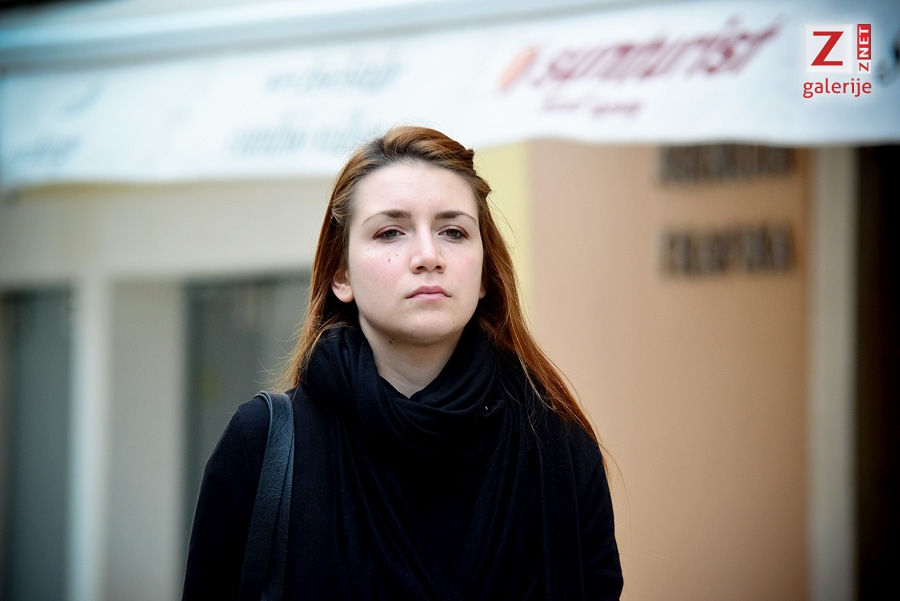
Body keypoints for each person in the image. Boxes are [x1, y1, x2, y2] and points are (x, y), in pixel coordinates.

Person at [182, 126, 623, 600]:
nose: (428, 256)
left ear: (484, 275)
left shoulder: (559, 450)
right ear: (340, 274)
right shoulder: (262, 445)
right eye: (390, 232)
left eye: (453, 232)